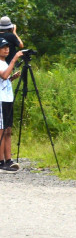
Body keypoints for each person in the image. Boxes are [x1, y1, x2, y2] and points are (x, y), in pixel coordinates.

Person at [0, 38, 22, 171]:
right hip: (1, 100)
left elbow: (5, 79)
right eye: (3, 47)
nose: (6, 49)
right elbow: (3, 76)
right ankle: (1, 161)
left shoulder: (4, 62)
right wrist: (15, 59)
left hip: (7, 99)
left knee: (8, 130)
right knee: (1, 131)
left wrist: (12, 78)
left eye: (7, 47)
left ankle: (9, 160)